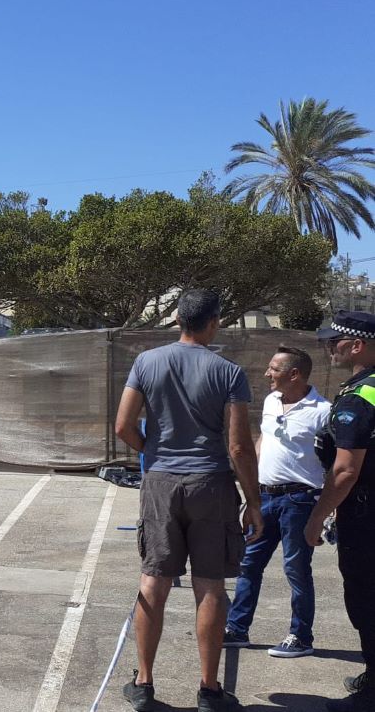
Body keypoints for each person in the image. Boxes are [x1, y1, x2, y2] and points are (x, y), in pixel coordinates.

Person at [114, 289, 263, 712]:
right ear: (214, 321)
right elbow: (238, 447)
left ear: (178, 318)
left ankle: (143, 683)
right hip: (211, 483)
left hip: (162, 482)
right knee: (211, 585)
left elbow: (123, 424)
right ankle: (209, 689)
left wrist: (153, 453)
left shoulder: (147, 362)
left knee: (153, 581)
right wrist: (252, 502)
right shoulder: (228, 371)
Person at [224, 347, 329, 658]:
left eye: (273, 369)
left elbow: (334, 462)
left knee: (296, 569)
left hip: (300, 501)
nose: (266, 374)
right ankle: (237, 629)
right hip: (265, 497)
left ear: (293, 374)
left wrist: (326, 511)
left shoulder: (323, 411)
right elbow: (262, 439)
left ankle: (300, 636)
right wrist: (251, 491)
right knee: (247, 563)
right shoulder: (270, 402)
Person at [306, 311, 375, 712]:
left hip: (365, 515)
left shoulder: (358, 396)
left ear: (357, 345)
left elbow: (346, 469)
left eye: (334, 342)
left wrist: (318, 515)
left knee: (365, 597)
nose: (330, 349)